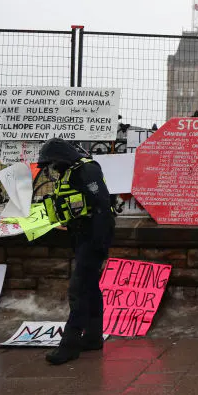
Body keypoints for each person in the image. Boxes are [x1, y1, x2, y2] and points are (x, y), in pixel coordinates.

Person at [37, 138, 114, 365]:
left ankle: (69, 345)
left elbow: (101, 205)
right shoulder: (72, 172)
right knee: (89, 288)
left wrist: (99, 241)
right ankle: (92, 337)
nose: (52, 169)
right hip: (83, 236)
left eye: (52, 164)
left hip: (93, 237)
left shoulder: (87, 170)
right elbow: (80, 206)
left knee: (78, 290)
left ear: (62, 158)